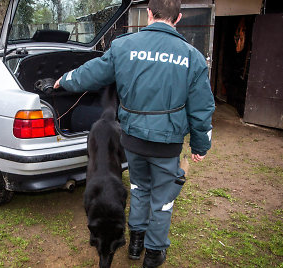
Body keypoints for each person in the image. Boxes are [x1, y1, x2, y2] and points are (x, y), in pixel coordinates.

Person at [54, 0, 215, 266]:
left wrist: (65, 79)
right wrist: (200, 146)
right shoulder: (192, 56)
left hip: (133, 141)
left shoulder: (123, 46)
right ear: (179, 18)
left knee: (139, 188)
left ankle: (135, 243)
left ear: (150, 13)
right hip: (167, 143)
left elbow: (92, 74)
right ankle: (153, 254)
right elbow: (202, 108)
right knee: (162, 201)